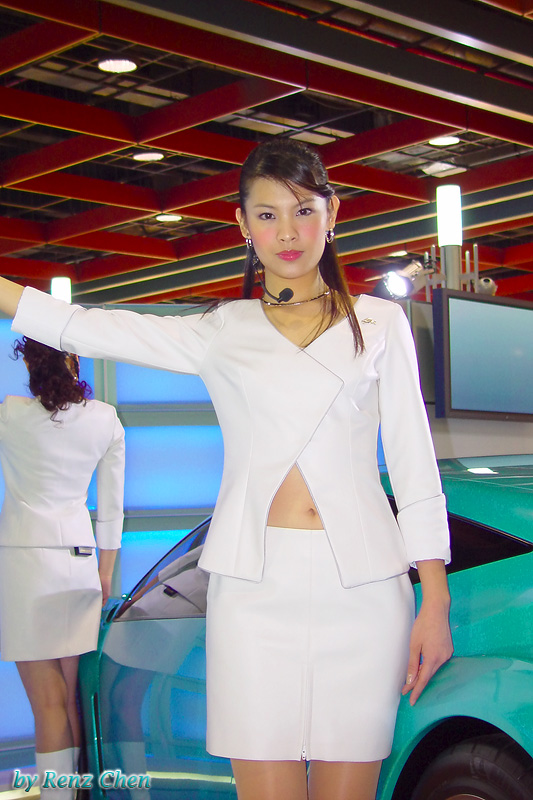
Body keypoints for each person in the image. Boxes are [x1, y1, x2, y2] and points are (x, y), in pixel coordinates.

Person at [0, 138, 452, 800]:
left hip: (364, 592)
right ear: (242, 225)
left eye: (302, 210)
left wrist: (434, 599)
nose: (287, 232)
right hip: (251, 590)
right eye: (267, 215)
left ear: (332, 214)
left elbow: (415, 469)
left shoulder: (380, 324)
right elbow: (85, 326)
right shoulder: (221, 328)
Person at [0, 338, 125, 800]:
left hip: (24, 564)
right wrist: (105, 574)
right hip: (81, 566)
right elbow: (112, 510)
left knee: (47, 704)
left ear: (30, 364)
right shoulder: (105, 419)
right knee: (70, 700)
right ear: (74, 360)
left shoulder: (11, 415)